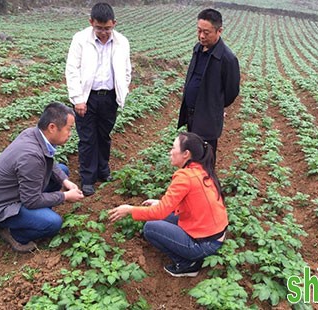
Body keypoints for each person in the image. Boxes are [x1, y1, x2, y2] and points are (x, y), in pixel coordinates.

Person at [108, 132, 228, 277]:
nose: (170, 152)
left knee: (151, 227)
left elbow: (159, 213)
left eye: (173, 148)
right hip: (214, 235)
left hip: (205, 244)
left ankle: (187, 265)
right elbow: (191, 202)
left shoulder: (184, 177)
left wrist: (129, 210)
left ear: (186, 154)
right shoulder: (201, 170)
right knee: (162, 216)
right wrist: (161, 203)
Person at [0, 102, 84, 253]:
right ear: (52, 127)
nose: (70, 134)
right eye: (68, 129)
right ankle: (15, 234)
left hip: (15, 193)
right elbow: (31, 200)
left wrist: (65, 181)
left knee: (62, 171)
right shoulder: (31, 157)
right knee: (53, 223)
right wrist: (64, 196)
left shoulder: (33, 133)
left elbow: (48, 161)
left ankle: (35, 214)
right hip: (0, 207)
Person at [65, 2, 131, 196]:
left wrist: (122, 91)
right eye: (99, 28)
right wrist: (78, 98)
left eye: (107, 28)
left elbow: (127, 69)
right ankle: (87, 178)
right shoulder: (80, 40)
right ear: (91, 22)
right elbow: (72, 69)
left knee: (104, 135)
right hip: (87, 97)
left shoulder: (122, 42)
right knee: (87, 138)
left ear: (114, 24)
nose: (103, 32)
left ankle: (103, 170)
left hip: (109, 97)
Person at [177, 8, 240, 160]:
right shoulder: (198, 48)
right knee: (191, 155)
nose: (201, 36)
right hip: (191, 115)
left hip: (207, 119)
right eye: (199, 31)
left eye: (206, 32)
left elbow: (231, 92)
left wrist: (213, 105)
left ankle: (206, 183)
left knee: (205, 158)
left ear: (219, 31)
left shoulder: (227, 58)